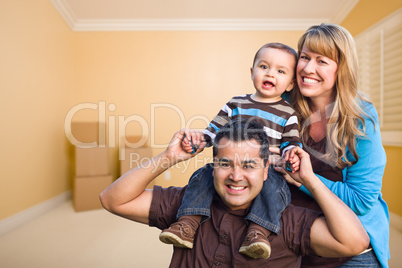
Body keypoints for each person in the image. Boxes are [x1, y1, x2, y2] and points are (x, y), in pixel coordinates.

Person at [99, 119, 370, 267]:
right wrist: (169, 157)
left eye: (249, 166)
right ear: (212, 167)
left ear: (266, 170)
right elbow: (112, 200)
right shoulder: (187, 207)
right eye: (225, 164)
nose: (236, 176)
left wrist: (309, 180)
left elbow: (354, 242)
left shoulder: (286, 221)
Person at [159, 42, 302, 260]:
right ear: (252, 72)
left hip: (266, 169)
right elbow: (214, 130)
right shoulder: (236, 104)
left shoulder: (288, 113)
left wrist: (290, 153)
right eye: (264, 67)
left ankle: (258, 232)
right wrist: (199, 140)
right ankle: (187, 224)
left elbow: (291, 142)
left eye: (280, 71)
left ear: (290, 84)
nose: (270, 74)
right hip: (229, 163)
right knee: (203, 175)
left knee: (275, 187)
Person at [276, 23, 389, 268]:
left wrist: (303, 179)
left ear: (342, 70)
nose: (308, 68)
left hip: (352, 251)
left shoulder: (361, 119)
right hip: (295, 244)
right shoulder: (280, 105)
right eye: (304, 57)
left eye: (322, 61)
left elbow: (360, 200)